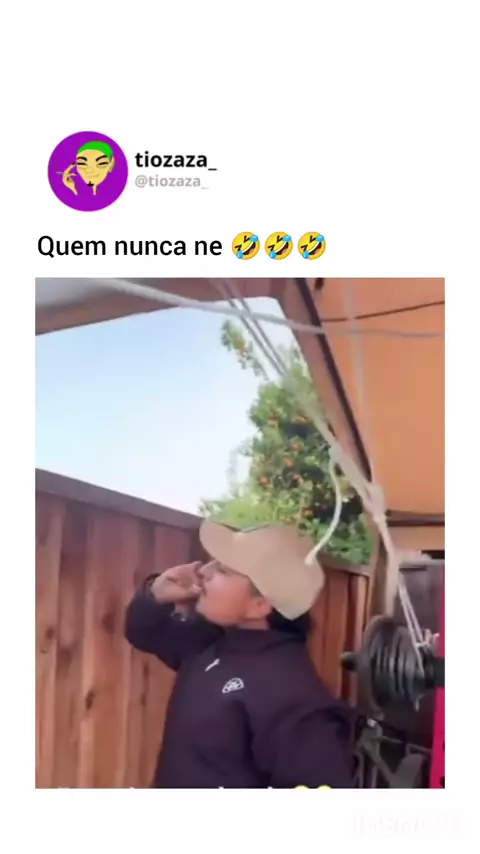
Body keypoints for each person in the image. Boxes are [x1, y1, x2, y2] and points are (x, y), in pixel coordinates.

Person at [124, 521, 354, 788]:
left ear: (260, 604)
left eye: (222, 569)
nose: (203, 571)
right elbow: (143, 632)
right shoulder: (210, 641)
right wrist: (155, 593)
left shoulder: (292, 694)